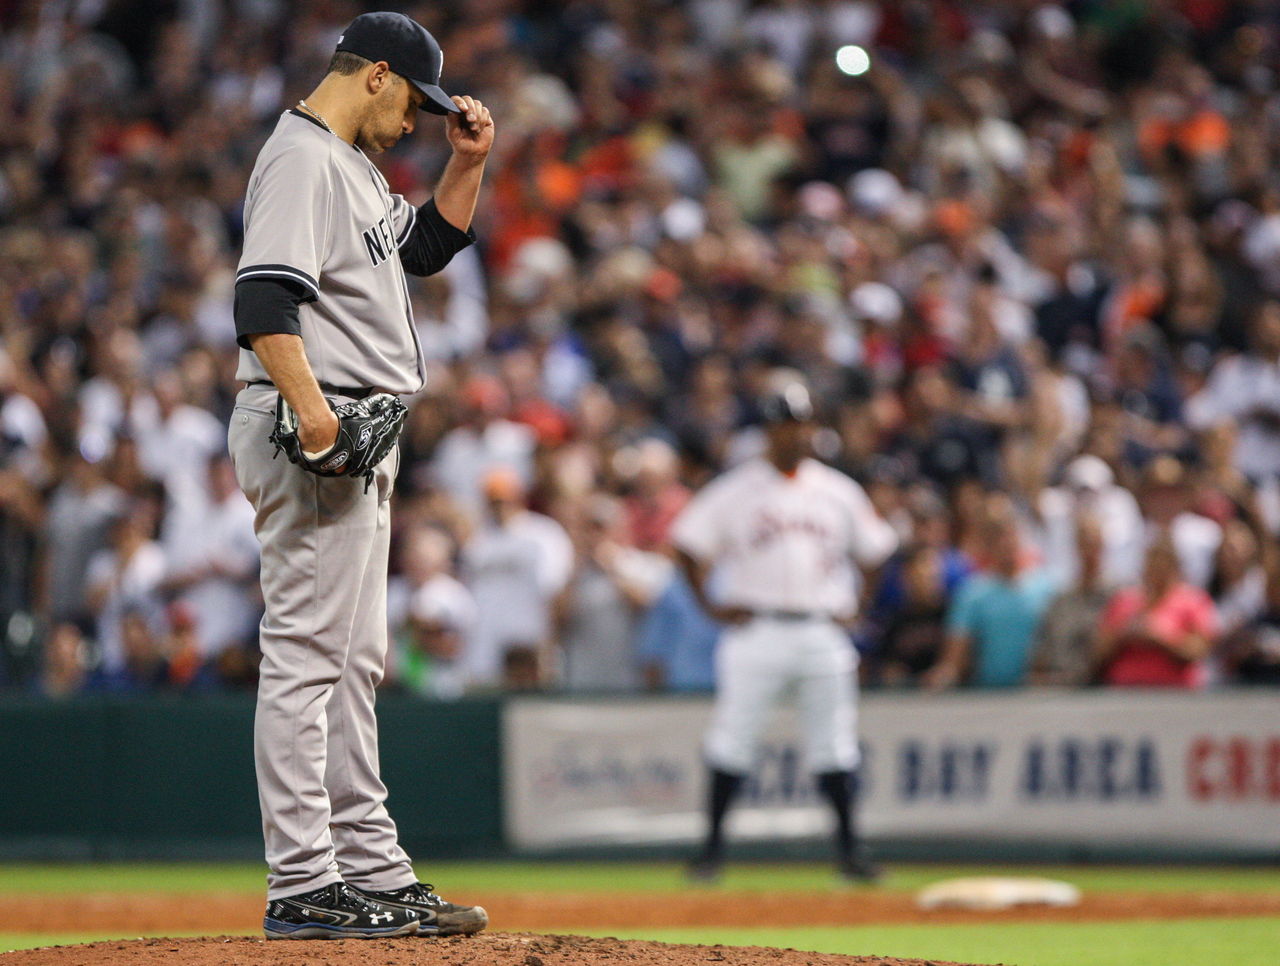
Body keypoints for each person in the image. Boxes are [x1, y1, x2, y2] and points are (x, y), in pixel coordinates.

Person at [224, 12, 490, 941]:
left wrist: (468, 165)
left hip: (350, 433)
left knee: (353, 661)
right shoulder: (302, 158)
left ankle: (371, 868)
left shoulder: (351, 166)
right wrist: (314, 414)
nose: (416, 121)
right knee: (307, 657)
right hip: (314, 428)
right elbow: (262, 299)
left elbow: (423, 251)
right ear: (376, 74)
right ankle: (304, 881)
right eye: (413, 102)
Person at [672, 378, 898, 882]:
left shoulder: (837, 490)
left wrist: (859, 604)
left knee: (835, 744)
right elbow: (687, 544)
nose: (793, 433)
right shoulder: (737, 489)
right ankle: (710, 853)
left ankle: (851, 854)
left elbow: (878, 551)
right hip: (758, 629)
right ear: (767, 431)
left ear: (812, 427)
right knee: (732, 738)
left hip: (821, 628)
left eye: (799, 423)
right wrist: (710, 605)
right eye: (782, 424)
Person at [925, 509, 1057, 689]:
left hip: (1034, 695)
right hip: (986, 695)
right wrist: (941, 678)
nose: (1006, 543)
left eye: (1010, 535)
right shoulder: (971, 593)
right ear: (988, 545)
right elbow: (955, 657)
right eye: (998, 537)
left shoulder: (1047, 589)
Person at [1094, 535, 1218, 688]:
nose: (1157, 570)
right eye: (1153, 563)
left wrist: (1159, 638)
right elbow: (1098, 652)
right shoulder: (1125, 600)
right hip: (1125, 689)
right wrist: (1124, 634)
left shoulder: (1193, 600)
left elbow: (1198, 651)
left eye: (1163, 563)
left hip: (1175, 692)